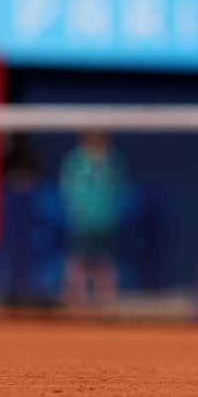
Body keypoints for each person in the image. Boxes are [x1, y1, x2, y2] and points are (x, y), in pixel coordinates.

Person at [59, 131, 130, 309]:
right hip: (82, 221)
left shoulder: (113, 161)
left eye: (100, 139)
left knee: (105, 261)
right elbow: (68, 190)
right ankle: (76, 299)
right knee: (80, 259)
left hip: (106, 221)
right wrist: (78, 212)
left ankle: (105, 300)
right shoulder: (75, 162)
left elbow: (119, 189)